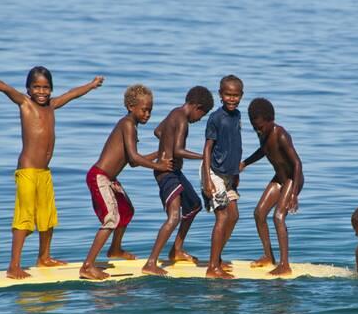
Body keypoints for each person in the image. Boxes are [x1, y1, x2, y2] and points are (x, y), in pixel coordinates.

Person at [0, 66, 104, 279]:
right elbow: (4, 88)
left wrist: (91, 84)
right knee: (24, 218)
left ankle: (44, 257)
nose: (41, 92)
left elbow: (72, 94)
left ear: (51, 89)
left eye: (46, 88)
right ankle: (13, 265)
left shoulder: (52, 105)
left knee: (47, 216)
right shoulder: (25, 103)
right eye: (36, 87)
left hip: (44, 172)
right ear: (28, 89)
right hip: (28, 171)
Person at [80, 84, 174, 280]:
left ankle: (115, 249)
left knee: (126, 210)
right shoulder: (127, 124)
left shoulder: (131, 126)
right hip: (100, 177)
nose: (148, 114)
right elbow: (135, 157)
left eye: (150, 110)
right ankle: (87, 266)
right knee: (111, 218)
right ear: (131, 107)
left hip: (110, 179)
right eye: (144, 109)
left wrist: (160, 152)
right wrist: (160, 166)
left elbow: (131, 161)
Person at [142, 86, 214, 276]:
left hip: (174, 172)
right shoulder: (183, 120)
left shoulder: (174, 112)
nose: (199, 119)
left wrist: (166, 145)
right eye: (202, 115)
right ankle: (150, 263)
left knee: (194, 206)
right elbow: (178, 151)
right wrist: (204, 157)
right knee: (174, 217)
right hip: (167, 174)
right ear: (197, 107)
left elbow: (158, 131)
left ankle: (176, 250)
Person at [240, 97, 303, 276]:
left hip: (292, 178)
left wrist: (293, 195)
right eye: (254, 127)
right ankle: (269, 256)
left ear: (270, 120)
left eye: (260, 127)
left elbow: (297, 164)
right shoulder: (263, 134)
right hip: (279, 178)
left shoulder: (281, 134)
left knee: (278, 217)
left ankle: (284, 264)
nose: (258, 130)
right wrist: (245, 163)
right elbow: (263, 151)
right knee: (259, 213)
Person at [201, 75, 244, 279]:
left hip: (229, 175)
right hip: (213, 173)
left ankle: (217, 258)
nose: (232, 99)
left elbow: (236, 145)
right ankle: (212, 267)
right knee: (223, 215)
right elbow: (207, 148)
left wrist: (235, 173)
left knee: (234, 216)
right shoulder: (215, 118)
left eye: (236, 95)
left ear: (241, 96)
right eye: (228, 94)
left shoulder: (237, 116)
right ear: (220, 95)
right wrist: (207, 179)